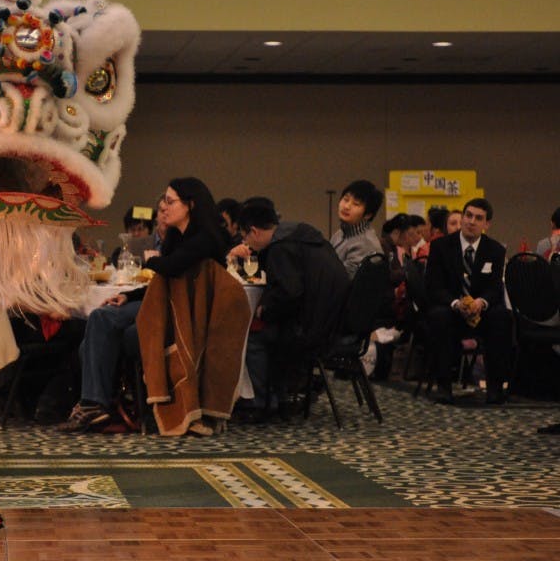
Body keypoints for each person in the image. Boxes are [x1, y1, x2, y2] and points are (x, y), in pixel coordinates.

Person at [58, 176, 228, 432]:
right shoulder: (175, 237)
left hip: (184, 319)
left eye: (170, 202)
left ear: (190, 205)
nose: (164, 209)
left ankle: (99, 404)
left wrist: (152, 261)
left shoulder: (206, 240)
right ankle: (96, 405)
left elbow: (170, 267)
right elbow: (160, 282)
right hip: (162, 307)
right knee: (101, 318)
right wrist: (129, 295)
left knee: (109, 333)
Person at [237, 199, 350, 406]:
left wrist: (265, 310)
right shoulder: (300, 235)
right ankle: (279, 396)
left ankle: (263, 402)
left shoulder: (281, 248)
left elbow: (289, 293)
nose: (245, 243)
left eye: (244, 237)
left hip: (313, 329)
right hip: (333, 320)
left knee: (253, 335)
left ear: (253, 231)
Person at [424, 198, 512, 404]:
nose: (471, 221)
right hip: (451, 308)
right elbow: (433, 286)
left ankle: (495, 388)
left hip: (482, 311)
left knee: (502, 317)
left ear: (486, 224)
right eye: (468, 216)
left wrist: (480, 303)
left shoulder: (496, 250)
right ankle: (444, 386)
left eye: (478, 218)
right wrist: (456, 303)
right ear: (463, 218)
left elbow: (495, 288)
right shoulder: (440, 247)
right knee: (439, 316)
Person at [330, 180, 383, 278]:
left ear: (368, 214)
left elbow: (342, 281)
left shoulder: (365, 244)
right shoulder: (340, 234)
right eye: (346, 199)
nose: (346, 206)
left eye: (356, 204)